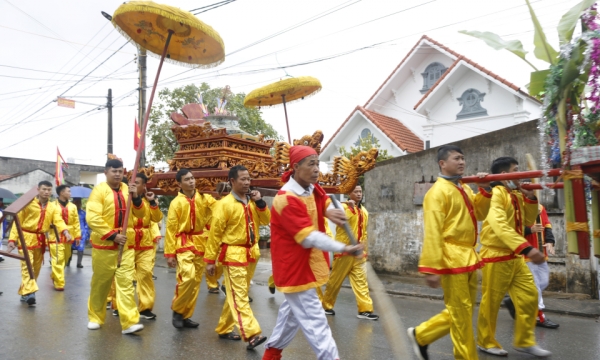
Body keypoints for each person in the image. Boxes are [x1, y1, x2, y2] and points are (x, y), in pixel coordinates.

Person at [262, 145, 363, 360]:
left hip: (307, 264)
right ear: (296, 167)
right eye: (311, 164)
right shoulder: (285, 199)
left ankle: (271, 354)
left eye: (318, 163)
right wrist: (343, 247)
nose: (317, 169)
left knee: (291, 316)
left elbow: (322, 200)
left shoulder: (311, 187)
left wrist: (330, 212)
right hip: (295, 268)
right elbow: (308, 238)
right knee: (317, 324)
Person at [407, 145, 491, 360]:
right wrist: (431, 267)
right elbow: (433, 231)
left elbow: (480, 213)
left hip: (468, 254)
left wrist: (485, 189)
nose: (462, 162)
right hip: (451, 257)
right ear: (442, 164)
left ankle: (421, 335)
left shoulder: (464, 188)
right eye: (456, 158)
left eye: (463, 158)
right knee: (461, 314)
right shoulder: (437, 193)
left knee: (462, 312)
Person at [477, 157, 551, 357]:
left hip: (515, 256)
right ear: (504, 175)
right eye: (516, 171)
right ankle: (486, 341)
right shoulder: (496, 194)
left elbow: (528, 220)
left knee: (530, 296)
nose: (520, 176)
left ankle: (524, 340)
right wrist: (527, 249)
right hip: (496, 254)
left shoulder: (515, 194)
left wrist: (530, 198)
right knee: (491, 302)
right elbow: (500, 225)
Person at [205, 165, 270, 349]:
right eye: (243, 179)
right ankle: (252, 334)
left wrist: (260, 203)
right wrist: (210, 260)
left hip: (250, 253)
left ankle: (224, 327)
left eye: (248, 179)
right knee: (240, 295)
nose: (247, 182)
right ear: (232, 181)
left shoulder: (251, 202)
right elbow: (214, 234)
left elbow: (266, 220)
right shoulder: (224, 205)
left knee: (236, 294)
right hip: (233, 254)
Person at [86, 159, 146, 335]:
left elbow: (141, 214)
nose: (118, 174)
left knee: (126, 284)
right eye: (114, 171)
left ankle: (129, 322)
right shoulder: (99, 191)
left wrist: (136, 198)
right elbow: (93, 218)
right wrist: (112, 235)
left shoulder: (128, 189)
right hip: (104, 245)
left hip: (126, 246)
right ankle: (95, 317)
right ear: (106, 172)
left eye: (121, 171)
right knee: (101, 284)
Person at [165, 168, 216, 329]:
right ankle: (178, 311)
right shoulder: (176, 203)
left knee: (195, 283)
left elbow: (219, 208)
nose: (191, 181)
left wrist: (223, 195)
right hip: (183, 242)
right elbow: (171, 228)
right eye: (187, 179)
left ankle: (186, 315)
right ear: (179, 183)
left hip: (200, 242)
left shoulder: (204, 198)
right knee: (187, 277)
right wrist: (170, 253)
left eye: (192, 178)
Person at [7, 181, 71, 306]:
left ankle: (25, 291)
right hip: (25, 237)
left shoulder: (53, 207)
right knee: (27, 266)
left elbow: (58, 220)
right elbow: (17, 222)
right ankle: (31, 293)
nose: (46, 192)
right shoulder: (28, 204)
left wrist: (65, 231)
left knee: (36, 268)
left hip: (40, 239)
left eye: (49, 189)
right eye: (44, 189)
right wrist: (12, 239)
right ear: (38, 189)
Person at [321, 185, 378, 320]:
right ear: (349, 194)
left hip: (358, 253)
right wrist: (349, 207)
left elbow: (364, 232)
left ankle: (365, 310)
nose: (359, 194)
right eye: (355, 192)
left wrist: (365, 250)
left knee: (361, 281)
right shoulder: (343, 208)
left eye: (360, 191)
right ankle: (326, 306)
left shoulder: (364, 211)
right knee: (335, 281)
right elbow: (341, 221)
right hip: (344, 251)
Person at [503, 204, 559, 329]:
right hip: (525, 254)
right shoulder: (514, 206)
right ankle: (539, 316)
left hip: (540, 253)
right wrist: (530, 230)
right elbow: (509, 229)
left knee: (543, 282)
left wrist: (550, 241)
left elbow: (547, 225)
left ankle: (515, 301)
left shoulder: (540, 207)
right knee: (535, 286)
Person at [128, 173, 162, 320]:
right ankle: (118, 304)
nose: (134, 185)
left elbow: (157, 218)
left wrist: (153, 202)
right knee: (125, 276)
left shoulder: (148, 200)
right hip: (128, 242)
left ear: (144, 186)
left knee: (146, 274)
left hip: (146, 243)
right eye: (132, 182)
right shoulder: (124, 198)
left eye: (137, 183)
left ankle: (145, 307)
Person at [47, 185, 81, 291]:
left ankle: (55, 275)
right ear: (61, 193)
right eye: (68, 191)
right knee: (58, 259)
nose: (70, 193)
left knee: (66, 259)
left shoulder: (73, 206)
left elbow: (76, 222)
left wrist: (78, 236)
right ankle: (59, 283)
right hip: (56, 236)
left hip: (69, 237)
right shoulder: (52, 205)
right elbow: (54, 220)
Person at [72, 197, 89, 268]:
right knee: (70, 248)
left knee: (81, 248)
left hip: (81, 233)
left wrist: (86, 233)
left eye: (80, 203)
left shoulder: (83, 213)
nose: (78, 204)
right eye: (76, 203)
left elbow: (86, 224)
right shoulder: (70, 212)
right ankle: (68, 261)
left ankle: (79, 263)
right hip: (72, 232)